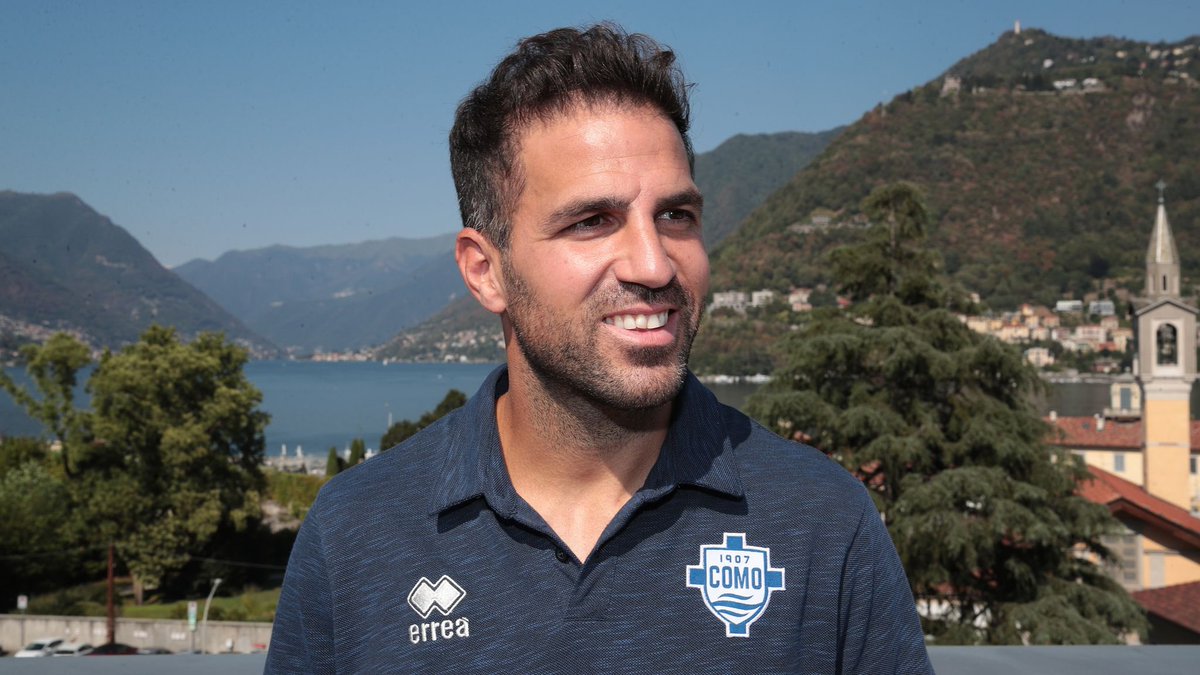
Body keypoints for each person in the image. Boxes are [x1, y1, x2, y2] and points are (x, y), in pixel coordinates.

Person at [265, 24, 932, 674]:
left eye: (676, 216)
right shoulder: (357, 531)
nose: (654, 264)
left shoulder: (822, 523)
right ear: (485, 271)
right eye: (592, 222)